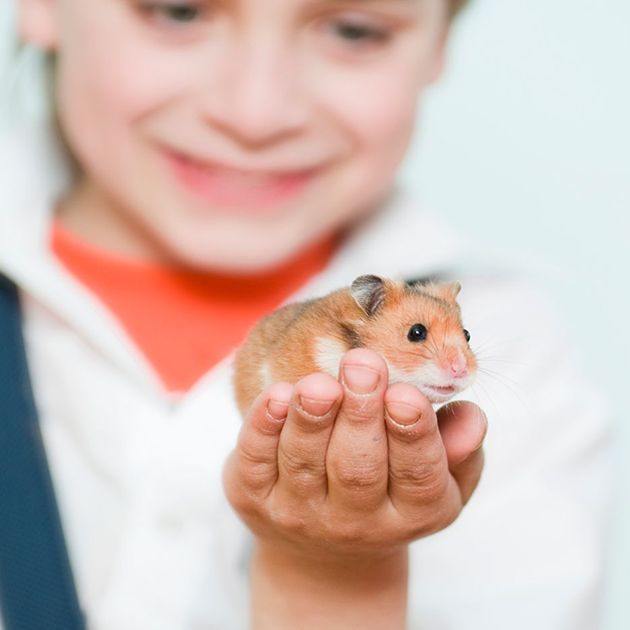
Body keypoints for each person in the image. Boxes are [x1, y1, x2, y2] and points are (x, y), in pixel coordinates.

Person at [0, 0, 612, 628]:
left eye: (354, 30)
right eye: (178, 11)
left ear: (441, 44)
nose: (255, 114)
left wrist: (336, 573)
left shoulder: (530, 359)